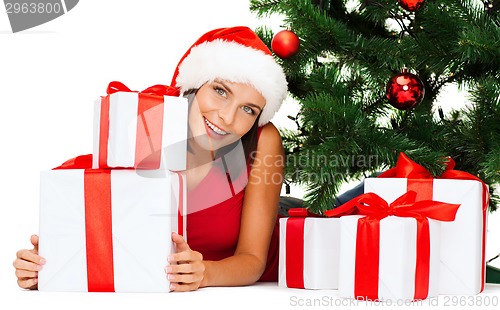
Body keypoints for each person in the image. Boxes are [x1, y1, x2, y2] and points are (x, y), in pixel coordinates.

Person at [13, 26, 289, 292]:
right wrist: (48, 265)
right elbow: (99, 216)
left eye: (248, 110)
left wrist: (205, 273)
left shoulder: (262, 139)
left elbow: (253, 260)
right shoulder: (150, 125)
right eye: (220, 91)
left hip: (276, 255)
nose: (227, 118)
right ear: (194, 86)